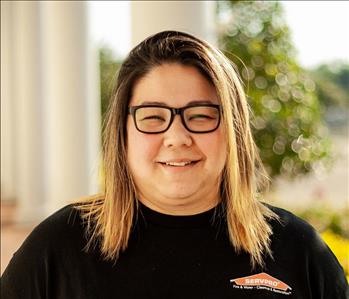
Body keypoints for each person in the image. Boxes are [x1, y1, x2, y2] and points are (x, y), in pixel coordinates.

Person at [1, 30, 348, 299]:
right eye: (153, 117)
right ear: (122, 134)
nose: (177, 136)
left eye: (200, 116)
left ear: (233, 131)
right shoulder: (59, 247)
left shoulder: (297, 250)